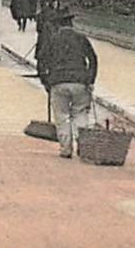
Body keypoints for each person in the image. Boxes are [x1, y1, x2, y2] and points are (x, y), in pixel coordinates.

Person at [35, 9, 98, 160]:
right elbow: (93, 59)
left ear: (58, 25)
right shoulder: (81, 38)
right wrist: (90, 80)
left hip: (58, 82)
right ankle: (82, 145)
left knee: (61, 116)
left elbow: (41, 61)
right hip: (80, 81)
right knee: (80, 113)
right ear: (71, 23)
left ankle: (65, 148)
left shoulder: (52, 40)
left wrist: (46, 81)